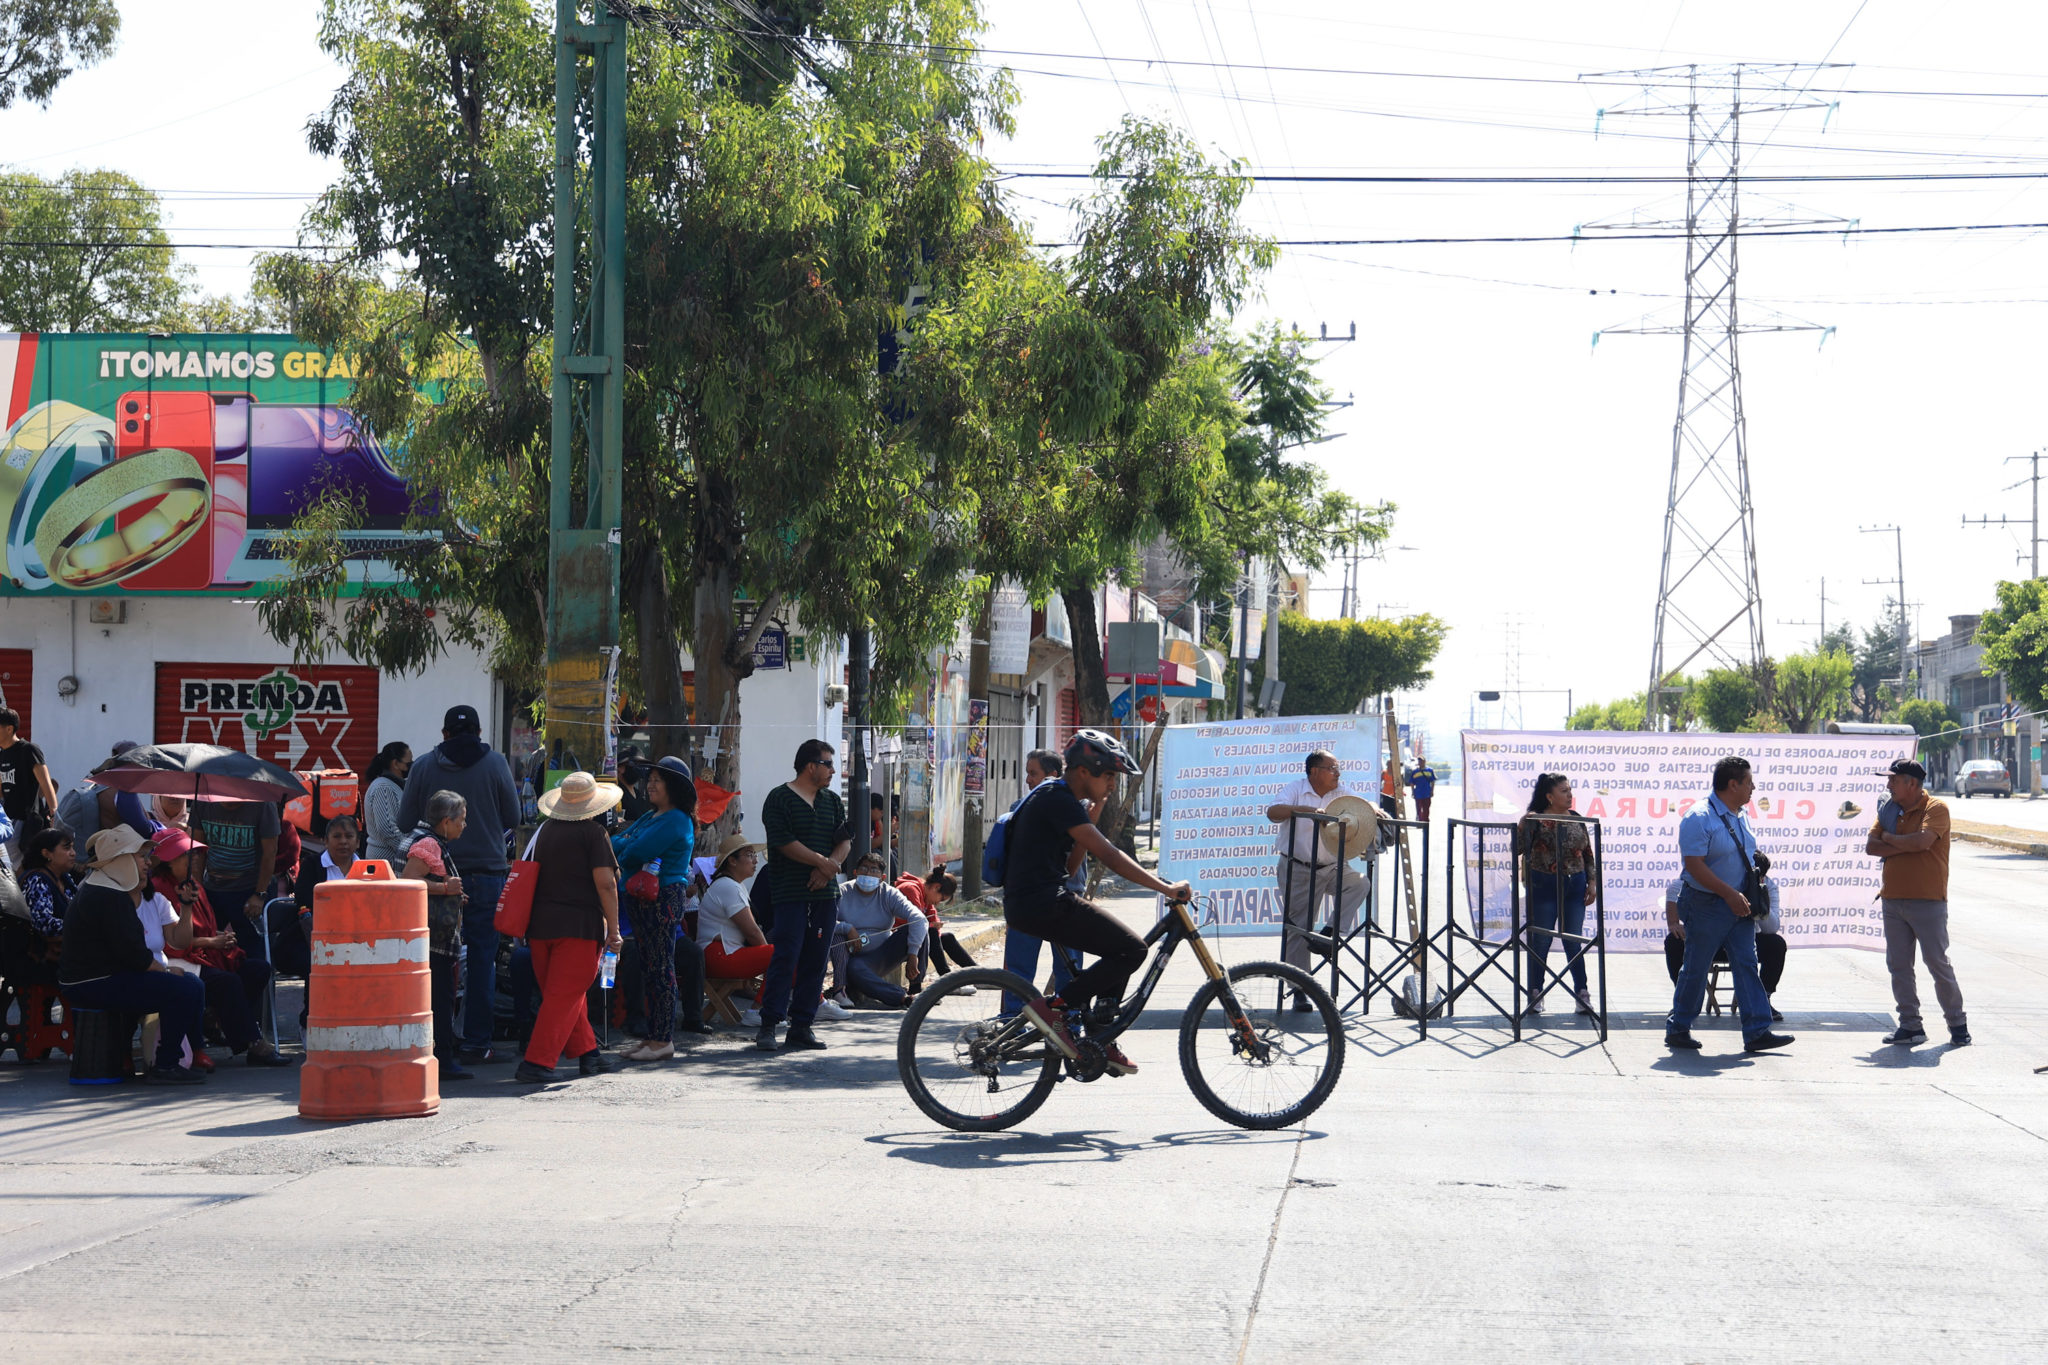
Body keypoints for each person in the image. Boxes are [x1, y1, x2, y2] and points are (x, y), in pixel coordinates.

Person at [1003, 730, 1191, 1078]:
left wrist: (1090, 818)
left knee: (1120, 949)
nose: (1112, 785)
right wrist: (1166, 888)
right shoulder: (1057, 799)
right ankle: (1055, 1009)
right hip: (1041, 903)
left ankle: (1099, 1035)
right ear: (1084, 772)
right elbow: (1112, 856)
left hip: (1038, 900)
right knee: (1132, 950)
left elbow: (1072, 867)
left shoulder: (1061, 800)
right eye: (1108, 776)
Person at [396, 704, 521, 1065]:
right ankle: (477, 1042)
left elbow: (405, 822)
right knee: (482, 960)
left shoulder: (422, 766)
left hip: (433, 878)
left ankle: (431, 1040)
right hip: (486, 875)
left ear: (444, 734)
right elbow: (513, 817)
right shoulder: (496, 764)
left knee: (431, 961)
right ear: (480, 733)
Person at [56, 825, 207, 1085]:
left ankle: (178, 1056)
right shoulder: (108, 895)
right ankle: (166, 1064)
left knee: (189, 984)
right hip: (93, 983)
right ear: (122, 859)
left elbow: (135, 952)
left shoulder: (101, 888)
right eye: (141, 857)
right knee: (185, 989)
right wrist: (169, 973)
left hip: (97, 978)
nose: (148, 863)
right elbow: (135, 956)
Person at [1665, 756, 1794, 1053]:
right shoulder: (1699, 817)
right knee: (1696, 966)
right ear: (1732, 784)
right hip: (1707, 904)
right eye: (1749, 782)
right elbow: (1695, 867)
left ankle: (1757, 1030)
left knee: (1747, 964)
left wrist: (1744, 894)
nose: (1753, 788)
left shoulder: (1741, 814)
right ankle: (1679, 1027)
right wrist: (1728, 894)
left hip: (1741, 905)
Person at [154, 827, 291, 1068]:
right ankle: (252, 1043)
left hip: (206, 954)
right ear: (168, 861)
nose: (193, 859)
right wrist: (210, 941)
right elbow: (170, 940)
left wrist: (218, 936)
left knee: (259, 969)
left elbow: (202, 927)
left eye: (192, 854)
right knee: (228, 983)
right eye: (185, 855)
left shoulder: (192, 882)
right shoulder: (158, 889)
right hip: (177, 960)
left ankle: (219, 1020)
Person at [521, 770, 625, 1084]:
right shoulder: (593, 833)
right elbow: (606, 885)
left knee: (564, 994)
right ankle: (536, 1063)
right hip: (578, 928)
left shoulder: (544, 830)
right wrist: (615, 931)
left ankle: (588, 1053)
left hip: (539, 927)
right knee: (562, 998)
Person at [754, 738, 851, 1053]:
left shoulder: (832, 802)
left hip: (826, 895)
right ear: (811, 766)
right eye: (827, 764)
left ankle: (801, 1027)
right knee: (785, 956)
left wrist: (829, 867)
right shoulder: (779, 798)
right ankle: (769, 1024)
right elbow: (782, 842)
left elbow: (845, 840)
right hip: (790, 892)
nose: (832, 771)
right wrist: (821, 863)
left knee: (816, 960)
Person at [612, 756, 710, 1061]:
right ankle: (652, 1036)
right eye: (649, 779)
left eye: (657, 780)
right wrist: (628, 841)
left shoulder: (677, 819)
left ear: (673, 787)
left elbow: (631, 852)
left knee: (661, 968)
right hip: (640, 898)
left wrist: (628, 841)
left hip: (661, 899)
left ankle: (662, 1039)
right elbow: (615, 843)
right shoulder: (652, 816)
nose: (650, 784)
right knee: (649, 967)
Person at [1867, 757, 1967, 1047]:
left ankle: (1957, 1024)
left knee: (1937, 963)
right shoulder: (1889, 810)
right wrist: (1901, 842)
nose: (1889, 785)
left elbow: (1923, 842)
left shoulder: (1936, 808)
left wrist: (1891, 839)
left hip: (1928, 901)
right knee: (1898, 966)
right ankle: (1910, 1026)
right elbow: (1871, 847)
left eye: (1893, 780)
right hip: (1892, 900)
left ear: (1912, 783)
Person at [1266, 750, 1371, 994]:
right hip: (1299, 869)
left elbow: (1363, 805)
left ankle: (1329, 935)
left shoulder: (1341, 792)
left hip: (1333, 867)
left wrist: (1374, 809)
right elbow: (1273, 813)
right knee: (1299, 930)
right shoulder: (1296, 789)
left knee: (1359, 884)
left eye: (1338, 768)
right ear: (1315, 771)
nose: (1338, 773)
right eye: (1332, 768)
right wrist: (1304, 810)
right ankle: (1298, 990)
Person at [400, 790, 478, 1082]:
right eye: (462, 820)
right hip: (433, 940)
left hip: (421, 935)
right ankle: (443, 1060)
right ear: (446, 821)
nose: (464, 825)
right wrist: (446, 890)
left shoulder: (419, 836)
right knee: (441, 999)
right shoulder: (429, 843)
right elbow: (408, 880)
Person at [1001, 748, 1080, 1004]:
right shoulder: (1020, 809)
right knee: (1019, 973)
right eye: (1028, 774)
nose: (1027, 781)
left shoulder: (1076, 809)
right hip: (1030, 899)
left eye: (1032, 774)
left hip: (1063, 901)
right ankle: (1011, 1026)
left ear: (1052, 776)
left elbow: (1074, 866)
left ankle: (1066, 1025)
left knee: (1069, 971)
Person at [1518, 774, 1599, 1018]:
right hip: (1544, 886)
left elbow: (1587, 853)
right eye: (1563, 791)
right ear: (1549, 797)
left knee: (1573, 940)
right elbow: (1518, 849)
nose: (1569, 795)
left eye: (1569, 790)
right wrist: (1522, 826)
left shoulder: (1576, 819)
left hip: (1575, 885)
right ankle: (1535, 993)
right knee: (1540, 940)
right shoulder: (1536, 820)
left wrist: (1592, 882)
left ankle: (1582, 994)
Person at [1664, 875, 1785, 1021]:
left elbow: (1771, 928)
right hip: (1707, 940)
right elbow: (1674, 890)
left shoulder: (1766, 884)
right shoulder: (1710, 877)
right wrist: (1674, 923)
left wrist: (1758, 900)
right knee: (1673, 941)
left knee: (1776, 944)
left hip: (1745, 940)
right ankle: (1683, 1001)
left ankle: (1763, 1000)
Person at [190, 794, 279, 966]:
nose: (229, 802)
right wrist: (198, 892)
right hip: (213, 887)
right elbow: (197, 851)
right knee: (206, 950)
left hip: (250, 888)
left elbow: (270, 852)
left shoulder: (263, 804)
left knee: (254, 956)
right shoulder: (201, 800)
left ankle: (254, 992)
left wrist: (259, 894)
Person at [832, 851, 928, 1009]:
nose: (868, 873)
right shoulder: (842, 891)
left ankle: (916, 989)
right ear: (855, 873)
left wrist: (913, 954)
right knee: (854, 968)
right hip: (856, 959)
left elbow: (918, 918)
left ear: (882, 878)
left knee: (922, 930)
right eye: (864, 868)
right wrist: (847, 927)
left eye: (874, 870)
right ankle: (902, 998)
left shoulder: (889, 893)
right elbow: (824, 922)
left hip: (884, 953)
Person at [281, 814, 363, 980]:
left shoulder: (367, 867)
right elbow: (304, 902)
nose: (343, 842)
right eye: (336, 836)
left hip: (357, 937)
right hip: (314, 938)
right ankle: (311, 1006)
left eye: (349, 836)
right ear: (325, 841)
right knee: (318, 962)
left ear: (358, 842)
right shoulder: (312, 865)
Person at [697, 833, 774, 984]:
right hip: (719, 955)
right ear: (732, 860)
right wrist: (767, 957)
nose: (755, 859)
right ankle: (762, 1004)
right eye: (749, 854)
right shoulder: (728, 886)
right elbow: (752, 932)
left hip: (726, 951)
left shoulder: (735, 885)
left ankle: (764, 1003)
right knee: (785, 955)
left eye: (754, 854)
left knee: (788, 950)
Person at [897, 864, 979, 982]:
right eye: (941, 899)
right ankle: (947, 981)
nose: (938, 903)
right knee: (931, 932)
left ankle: (977, 975)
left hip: (914, 937)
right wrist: (931, 926)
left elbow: (933, 919)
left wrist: (934, 925)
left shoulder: (926, 895)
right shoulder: (910, 889)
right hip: (897, 937)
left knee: (947, 937)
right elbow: (912, 923)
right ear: (936, 887)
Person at [0, 706, 57, 861]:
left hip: (25, 820)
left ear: (9, 729)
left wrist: (53, 813)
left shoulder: (28, 750)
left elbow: (45, 782)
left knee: (17, 866)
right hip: (7, 819)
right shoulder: (2, 754)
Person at [361, 741, 412, 864]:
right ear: (396, 763)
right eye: (408, 763)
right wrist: (411, 851)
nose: (411, 766)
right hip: (384, 863)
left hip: (392, 861)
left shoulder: (394, 785)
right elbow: (387, 829)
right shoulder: (383, 787)